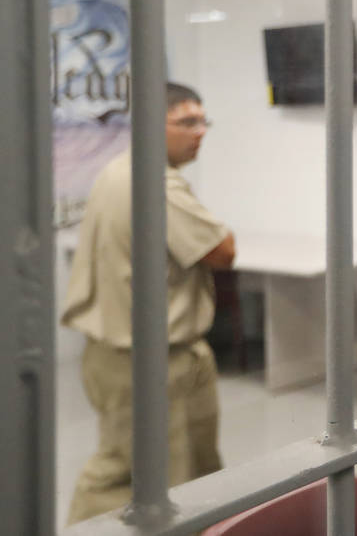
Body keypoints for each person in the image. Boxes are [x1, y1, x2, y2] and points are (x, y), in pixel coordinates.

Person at [63, 82, 236, 524]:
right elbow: (222, 251)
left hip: (118, 355)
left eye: (202, 121)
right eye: (186, 122)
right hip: (152, 362)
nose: (200, 132)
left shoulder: (117, 170)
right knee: (140, 481)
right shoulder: (154, 180)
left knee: (158, 472)